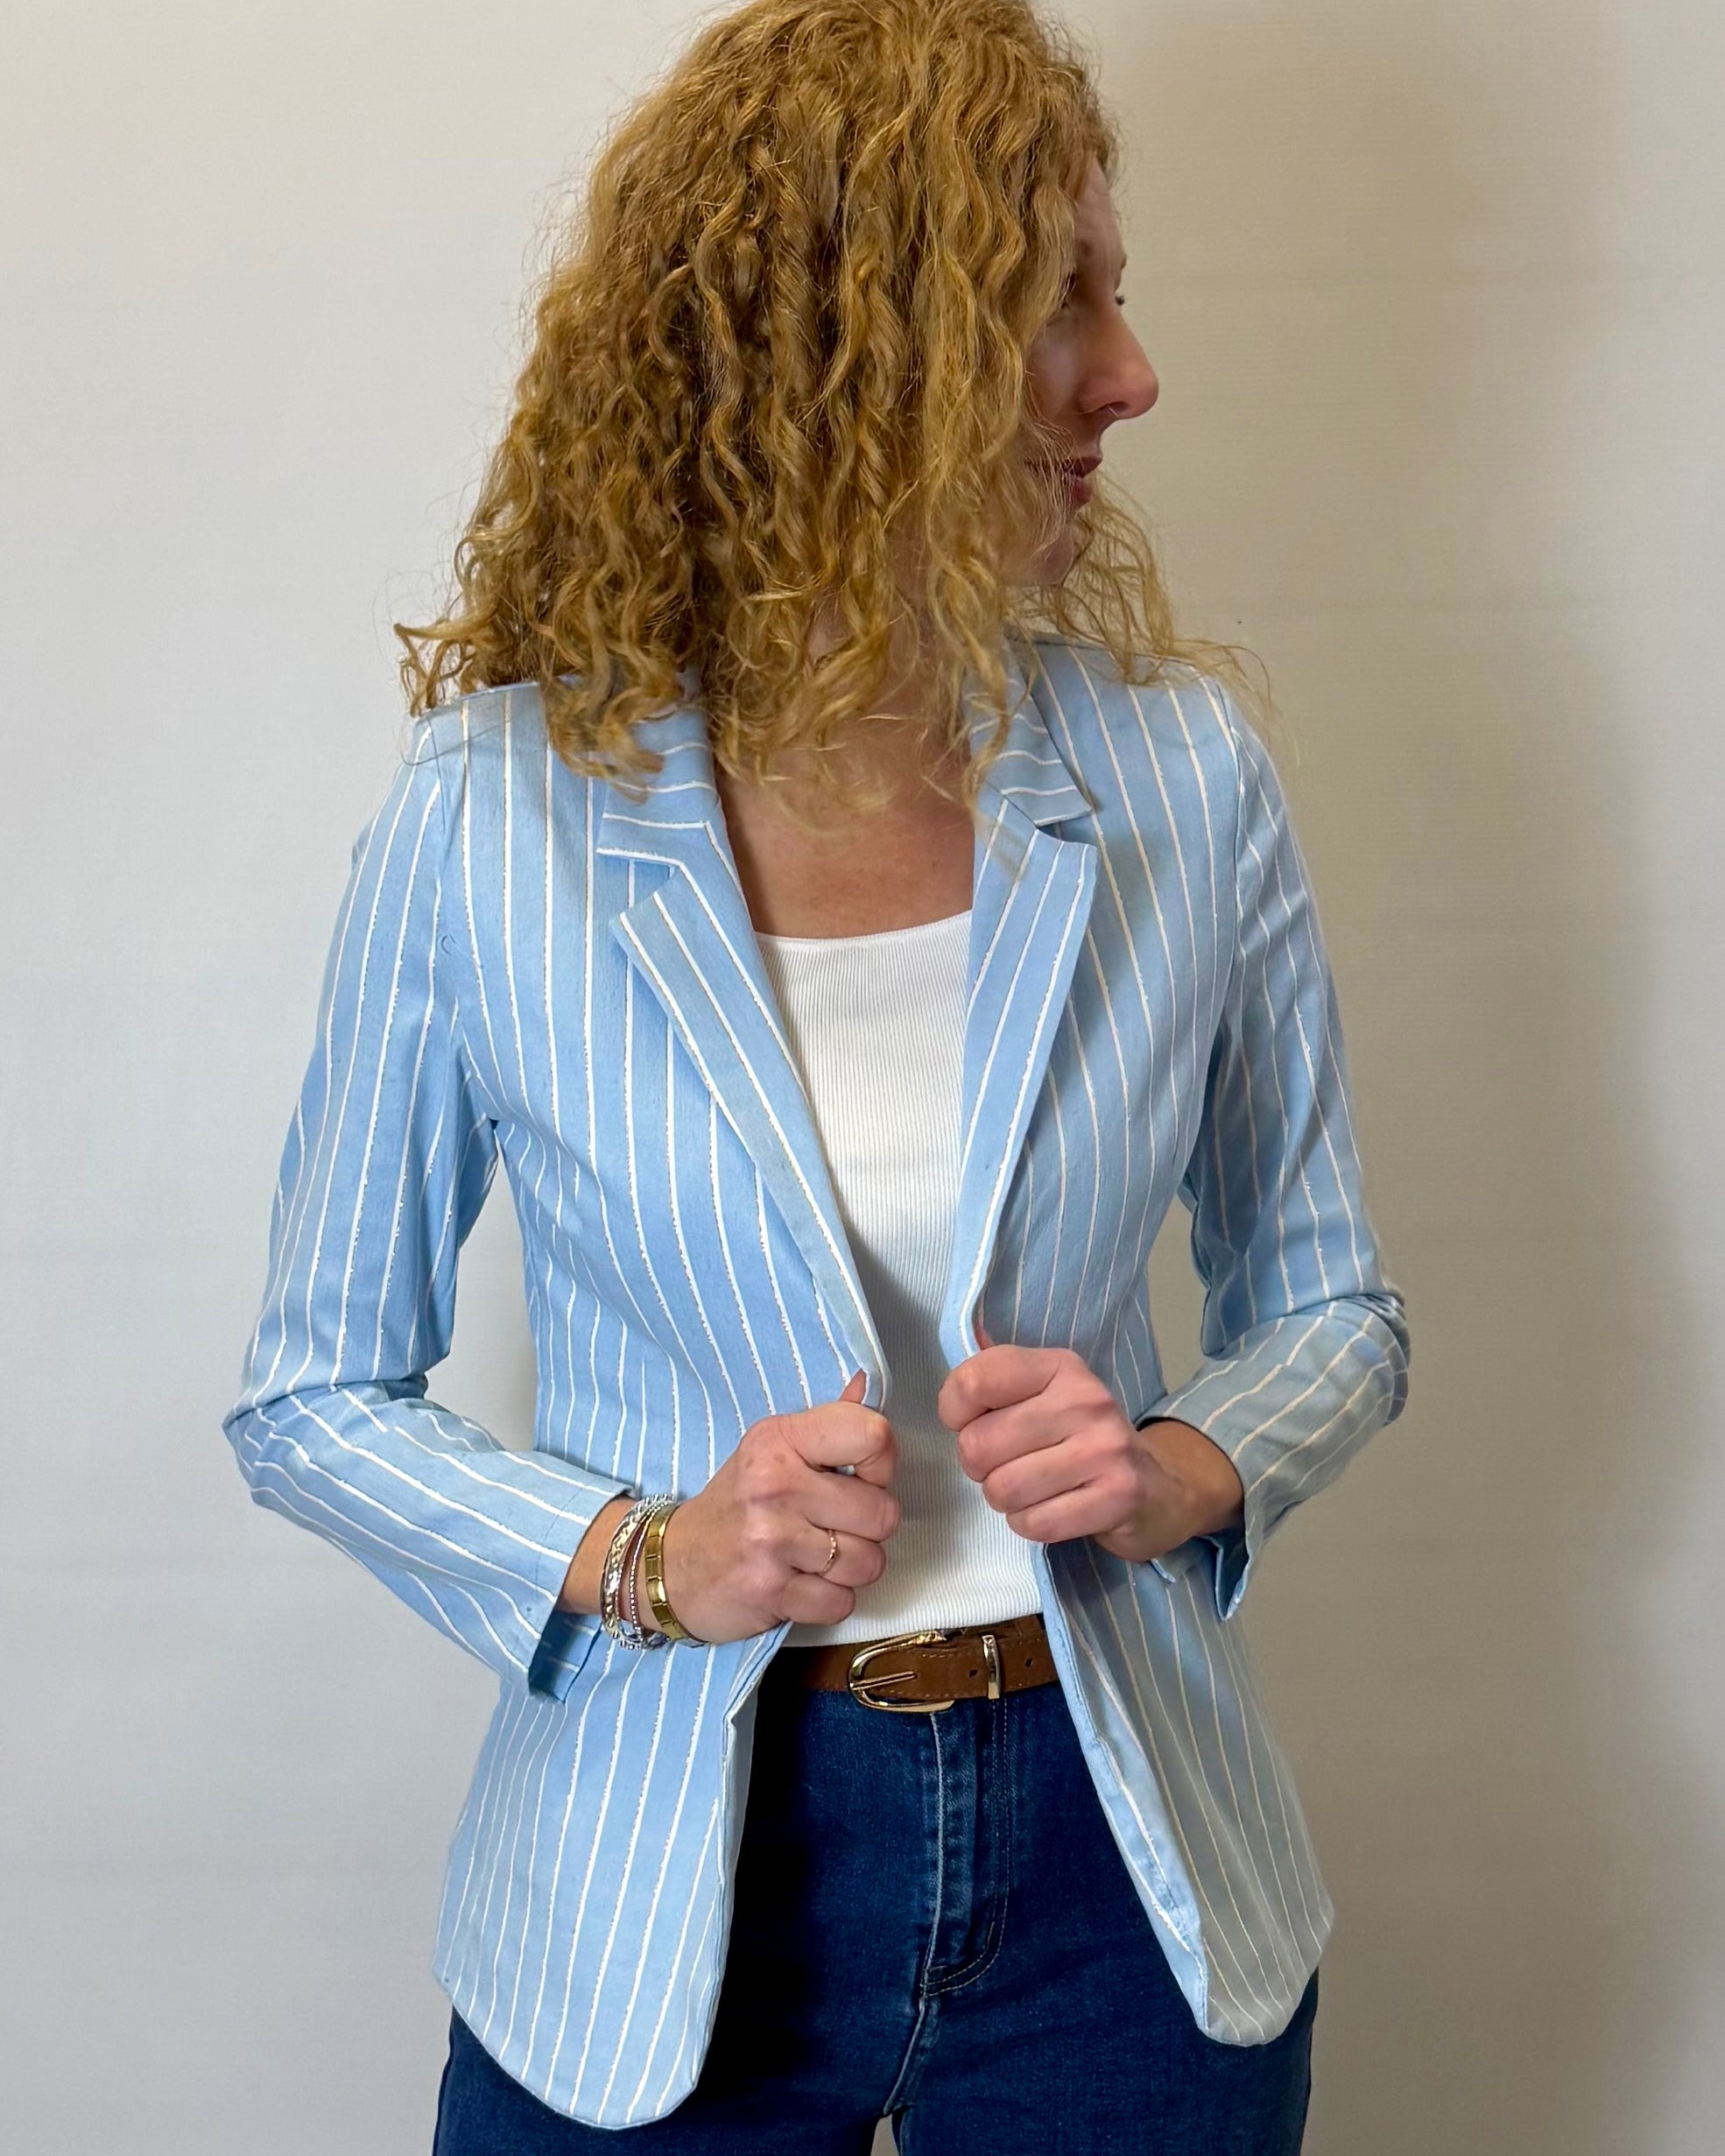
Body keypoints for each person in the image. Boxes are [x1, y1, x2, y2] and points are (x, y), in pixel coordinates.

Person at [222, 1, 1411, 2147]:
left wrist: (1180, 1468)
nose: (1129, 376)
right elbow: (312, 1393)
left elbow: (1330, 1303)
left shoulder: (1181, 776)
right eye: (1065, 303)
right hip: (653, 1884)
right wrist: (644, 1553)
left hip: (1116, 1868)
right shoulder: (492, 815)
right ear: (852, 353)